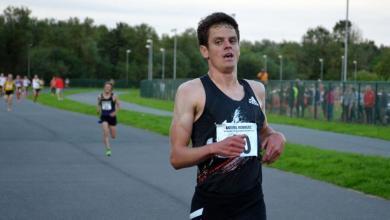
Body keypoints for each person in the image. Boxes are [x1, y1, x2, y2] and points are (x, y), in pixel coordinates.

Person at [169, 12, 286, 220]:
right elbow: (177, 157)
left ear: (239, 47)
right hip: (212, 205)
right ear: (205, 50)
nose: (227, 46)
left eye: (233, 40)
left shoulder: (256, 90)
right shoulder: (191, 91)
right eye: (218, 41)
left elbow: (265, 130)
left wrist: (277, 136)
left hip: (253, 203)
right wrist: (215, 148)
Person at [97, 82, 120, 157]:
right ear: (104, 88)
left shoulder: (114, 96)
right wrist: (98, 110)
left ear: (111, 88)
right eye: (106, 87)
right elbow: (98, 105)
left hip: (112, 117)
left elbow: (119, 106)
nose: (107, 88)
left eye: (108, 87)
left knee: (113, 136)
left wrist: (115, 112)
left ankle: (108, 131)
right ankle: (108, 149)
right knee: (105, 132)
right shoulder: (100, 96)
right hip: (104, 116)